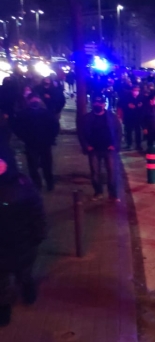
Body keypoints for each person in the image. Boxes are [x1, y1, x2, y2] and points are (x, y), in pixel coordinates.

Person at [0, 144, 46, 327]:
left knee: (24, 272)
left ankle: (28, 288)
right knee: (1, 282)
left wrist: (38, 233)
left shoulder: (22, 183)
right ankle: (3, 308)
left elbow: (36, 210)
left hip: (22, 241)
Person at [12, 94, 60, 191]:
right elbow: (17, 128)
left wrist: (50, 138)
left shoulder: (46, 113)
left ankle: (49, 183)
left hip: (44, 143)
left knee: (46, 165)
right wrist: (25, 138)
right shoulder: (23, 114)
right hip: (32, 143)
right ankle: (38, 185)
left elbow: (55, 126)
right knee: (33, 166)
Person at [80, 96, 122, 201]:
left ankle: (112, 194)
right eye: (95, 103)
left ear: (104, 105)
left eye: (100, 103)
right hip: (94, 149)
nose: (97, 105)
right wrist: (86, 146)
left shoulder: (112, 117)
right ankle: (98, 192)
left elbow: (118, 132)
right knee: (95, 173)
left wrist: (115, 145)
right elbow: (81, 133)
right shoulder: (87, 118)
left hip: (109, 149)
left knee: (112, 172)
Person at [120, 86, 143, 151]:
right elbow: (121, 104)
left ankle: (138, 145)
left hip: (137, 117)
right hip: (129, 117)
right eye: (135, 90)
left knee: (138, 131)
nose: (136, 92)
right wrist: (127, 106)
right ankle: (129, 144)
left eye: (137, 90)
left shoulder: (141, 97)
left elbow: (143, 105)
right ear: (132, 90)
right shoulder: (127, 97)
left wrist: (140, 106)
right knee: (128, 131)